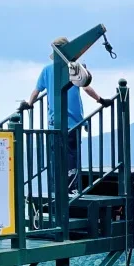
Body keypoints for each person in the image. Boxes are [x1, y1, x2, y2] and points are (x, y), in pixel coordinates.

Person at [24, 37, 105, 193]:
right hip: (72, 123)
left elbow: (36, 91)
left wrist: (29, 104)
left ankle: (56, 189)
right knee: (72, 157)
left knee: (55, 158)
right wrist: (100, 100)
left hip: (54, 123)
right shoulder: (74, 68)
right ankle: (72, 189)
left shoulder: (47, 70)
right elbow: (86, 87)